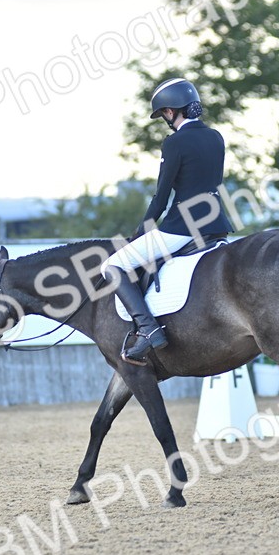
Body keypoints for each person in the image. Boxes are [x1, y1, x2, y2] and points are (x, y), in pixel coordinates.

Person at [102, 77, 234, 365]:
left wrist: (141, 230)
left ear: (172, 111)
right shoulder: (216, 137)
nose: (164, 118)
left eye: (163, 113)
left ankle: (149, 331)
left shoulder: (174, 143)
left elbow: (161, 197)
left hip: (182, 228)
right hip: (217, 224)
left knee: (111, 265)